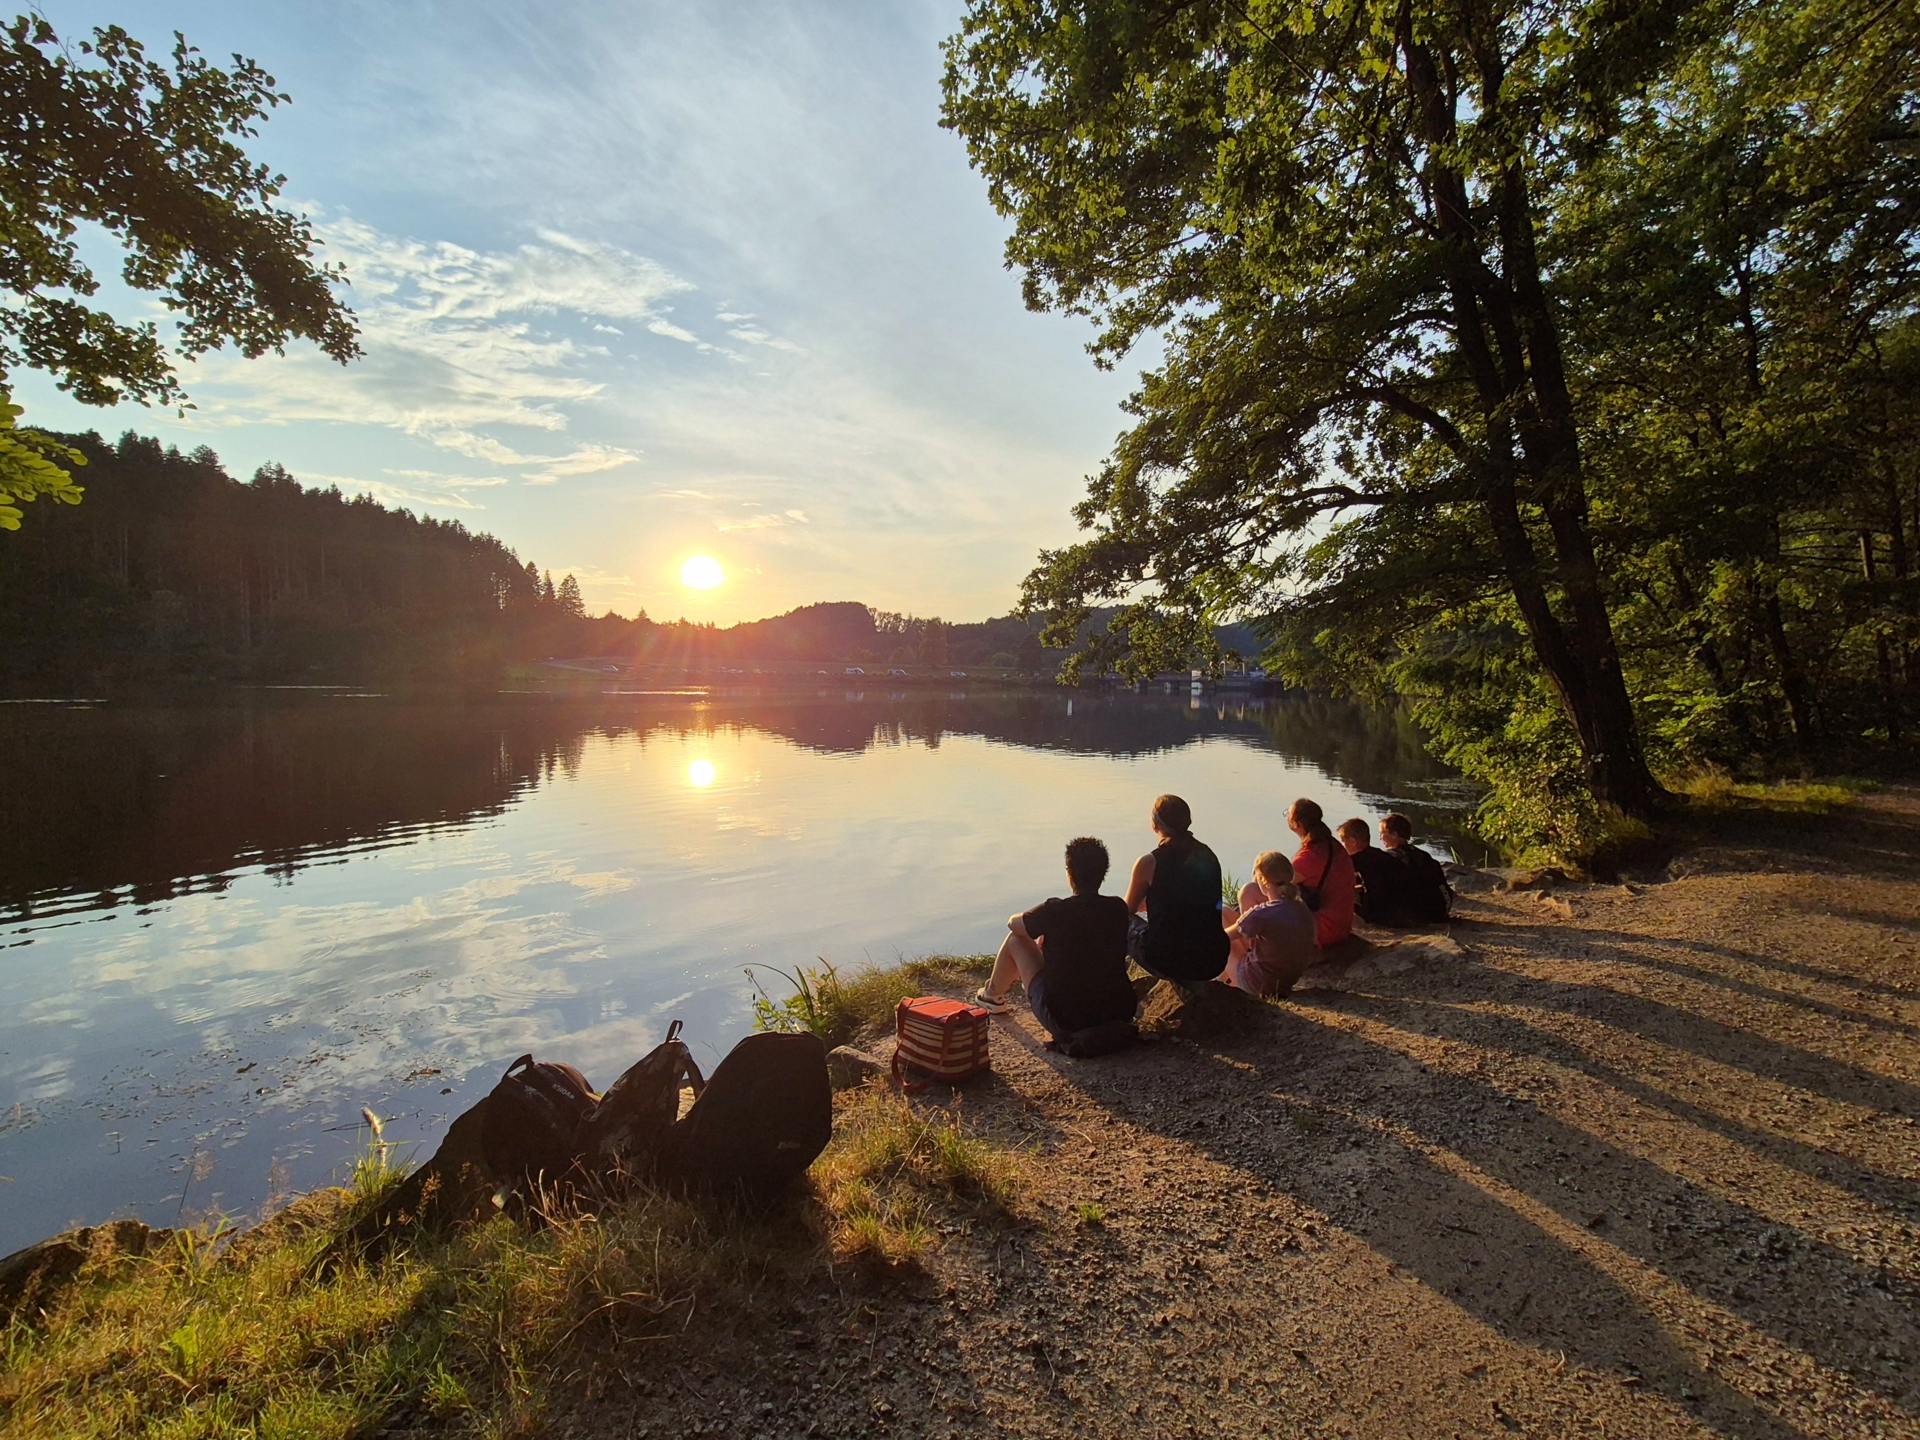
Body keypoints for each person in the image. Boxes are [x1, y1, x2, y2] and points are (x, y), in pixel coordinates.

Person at [974, 836, 1136, 1039]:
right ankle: (992, 995)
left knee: (1016, 938)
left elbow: (1013, 924)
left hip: (1065, 1019)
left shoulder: (1055, 910)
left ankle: (992, 996)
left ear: (1070, 874)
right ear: (1103, 873)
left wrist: (1041, 927)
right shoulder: (1117, 908)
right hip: (1119, 1011)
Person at [1122, 794, 1231, 985]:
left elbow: (1127, 909)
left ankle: (1113, 982)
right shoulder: (1208, 855)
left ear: (1155, 825)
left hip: (1169, 962)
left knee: (1120, 919)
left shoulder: (1149, 862)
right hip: (1213, 959)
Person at [1223, 851, 1319, 997]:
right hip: (1285, 983)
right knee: (1225, 912)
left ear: (1263, 879)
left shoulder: (1262, 914)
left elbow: (1221, 938)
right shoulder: (1301, 908)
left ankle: (1226, 981)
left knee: (1219, 919)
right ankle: (1225, 979)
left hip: (1259, 984)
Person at [1289, 797, 1356, 948]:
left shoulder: (1311, 856)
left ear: (1296, 824)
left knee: (1251, 892)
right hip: (1340, 924)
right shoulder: (1332, 845)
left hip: (1324, 929)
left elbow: (1272, 882)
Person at [1377, 812, 1453, 924]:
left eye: (1382, 833)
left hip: (1419, 915)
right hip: (1440, 910)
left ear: (1394, 834)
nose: (1380, 838)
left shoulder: (1392, 857)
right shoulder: (1422, 855)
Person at [1340, 815, 1409, 926]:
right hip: (1398, 909)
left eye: (1343, 841)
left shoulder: (1357, 860)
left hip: (1378, 914)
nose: (1342, 846)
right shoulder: (1378, 854)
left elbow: (1335, 875)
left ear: (1353, 842)